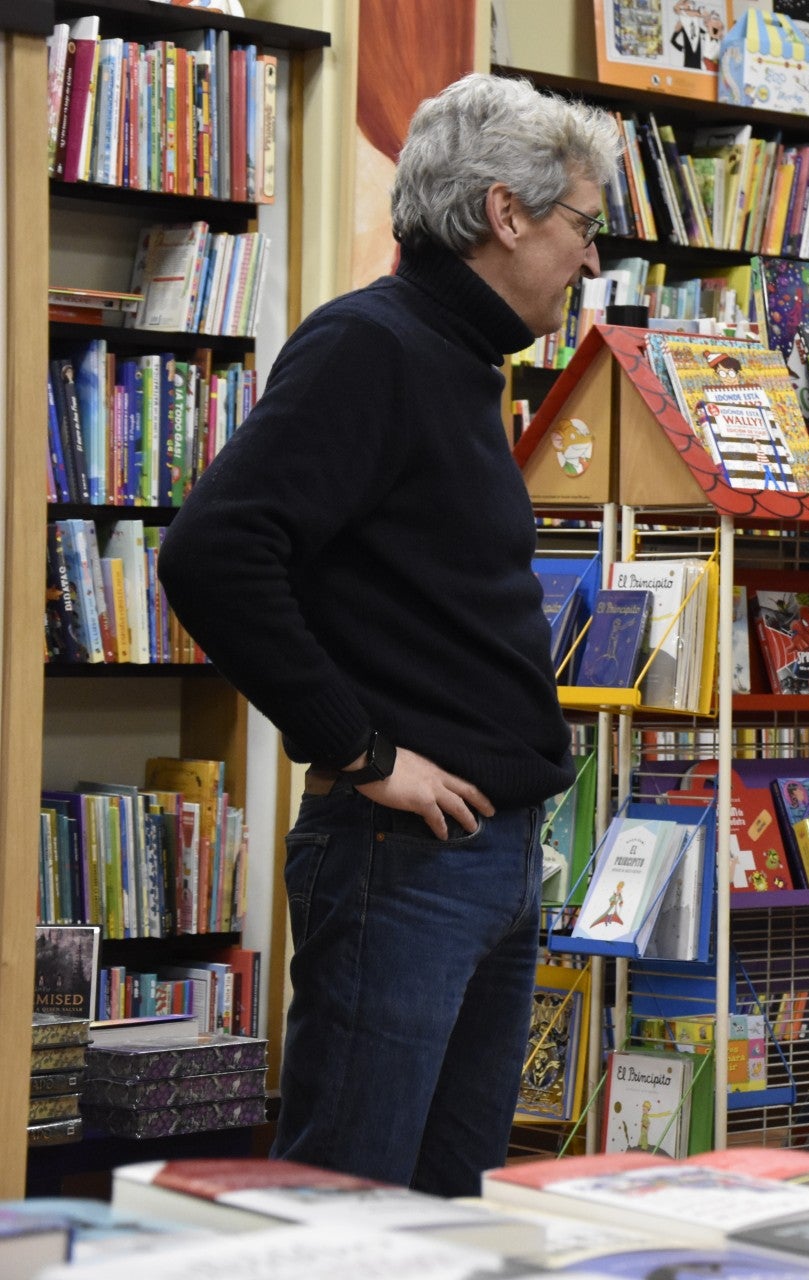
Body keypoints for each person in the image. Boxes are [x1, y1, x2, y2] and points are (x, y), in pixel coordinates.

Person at [157, 74, 620, 1194]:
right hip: (401, 863)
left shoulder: (464, 362)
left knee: (449, 1212)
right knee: (350, 1214)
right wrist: (358, 747)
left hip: (490, 853)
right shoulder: (370, 344)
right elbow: (211, 553)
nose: (593, 262)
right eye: (584, 225)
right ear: (506, 214)